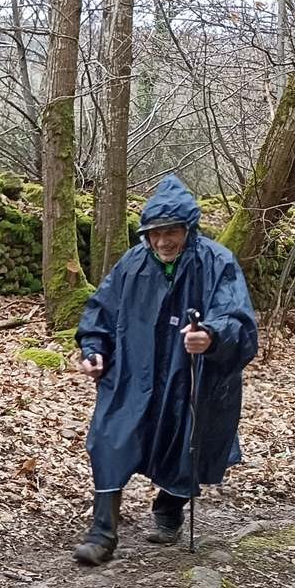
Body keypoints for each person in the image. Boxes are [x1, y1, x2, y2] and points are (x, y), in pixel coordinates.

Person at [72, 174, 259, 565]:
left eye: (170, 232)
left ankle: (169, 510)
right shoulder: (132, 264)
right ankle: (102, 534)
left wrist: (210, 336)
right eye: (154, 233)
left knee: (189, 443)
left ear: (188, 229)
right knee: (110, 439)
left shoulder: (216, 262)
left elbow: (238, 321)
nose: (162, 242)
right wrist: (94, 350)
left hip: (190, 375)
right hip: (131, 372)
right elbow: (101, 314)